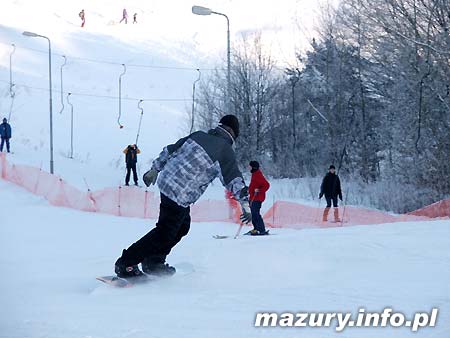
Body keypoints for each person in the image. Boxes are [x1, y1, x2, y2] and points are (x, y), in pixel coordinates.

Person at [114, 115, 252, 278]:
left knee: (182, 226)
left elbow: (171, 150)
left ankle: (154, 261)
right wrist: (246, 205)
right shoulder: (225, 150)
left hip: (168, 183)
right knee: (165, 231)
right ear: (232, 133)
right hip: (180, 192)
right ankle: (126, 263)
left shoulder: (199, 135)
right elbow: (233, 180)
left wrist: (155, 169)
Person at [246, 160, 270, 235]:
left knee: (256, 214)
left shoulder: (258, 174)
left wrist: (259, 190)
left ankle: (261, 229)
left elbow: (266, 185)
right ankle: (256, 228)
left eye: (250, 166)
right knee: (253, 214)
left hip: (257, 198)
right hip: (253, 198)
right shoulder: (254, 174)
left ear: (253, 167)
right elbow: (254, 185)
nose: (248, 167)